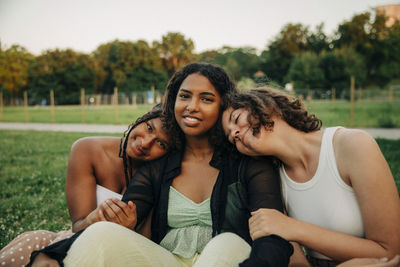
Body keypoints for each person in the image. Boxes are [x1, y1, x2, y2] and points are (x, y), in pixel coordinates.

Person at [29, 63, 298, 267]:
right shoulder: (158, 167)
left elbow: (273, 237)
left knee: (225, 243)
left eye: (206, 99)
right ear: (173, 101)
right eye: (185, 96)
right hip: (166, 260)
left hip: (232, 260)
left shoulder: (248, 163)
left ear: (223, 106)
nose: (192, 106)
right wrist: (50, 253)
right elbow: (115, 222)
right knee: (103, 233)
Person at [221, 87, 400, 266]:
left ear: (266, 106)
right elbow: (298, 262)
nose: (235, 133)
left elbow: (391, 252)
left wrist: (293, 228)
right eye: (231, 137)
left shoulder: (352, 145)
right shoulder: (273, 180)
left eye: (236, 119)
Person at [0, 104, 170, 267]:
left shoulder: (160, 176)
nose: (146, 143)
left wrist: (129, 230)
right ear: (142, 118)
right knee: (33, 245)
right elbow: (77, 226)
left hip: (118, 254)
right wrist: (95, 217)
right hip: (74, 240)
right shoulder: (88, 149)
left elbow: (146, 244)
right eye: (149, 128)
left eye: (161, 144)